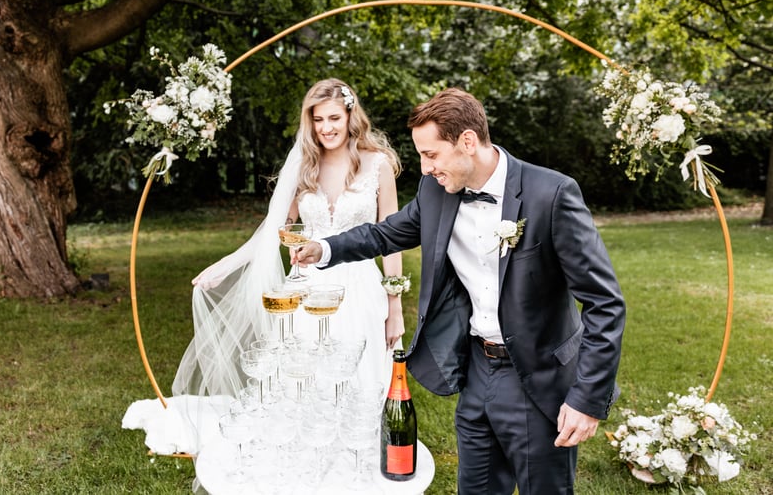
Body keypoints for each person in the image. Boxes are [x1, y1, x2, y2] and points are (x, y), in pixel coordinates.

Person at [293, 87, 626, 494]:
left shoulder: (551, 194)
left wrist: (586, 399)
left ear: (467, 141)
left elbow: (605, 304)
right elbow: (386, 234)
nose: (425, 167)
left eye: (431, 154)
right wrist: (325, 248)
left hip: (538, 380)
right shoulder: (436, 191)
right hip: (476, 372)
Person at [172, 78, 406, 399]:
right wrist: (226, 265)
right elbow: (274, 230)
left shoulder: (378, 164)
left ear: (351, 116)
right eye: (318, 119)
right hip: (307, 289)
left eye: (334, 118)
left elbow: (391, 240)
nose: (326, 128)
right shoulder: (304, 166)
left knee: (359, 381)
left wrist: (395, 308)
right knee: (302, 382)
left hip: (361, 288)